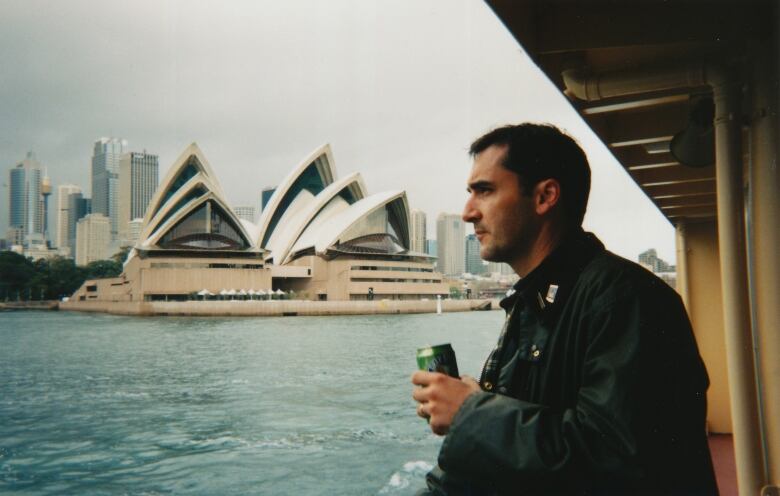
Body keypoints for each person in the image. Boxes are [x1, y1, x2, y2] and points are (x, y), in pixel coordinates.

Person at [411, 123, 718, 495]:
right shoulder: (534, 303)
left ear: (545, 197)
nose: (467, 212)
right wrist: (480, 403)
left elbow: (617, 459)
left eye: (485, 191)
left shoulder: (626, 300)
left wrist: (470, 412)